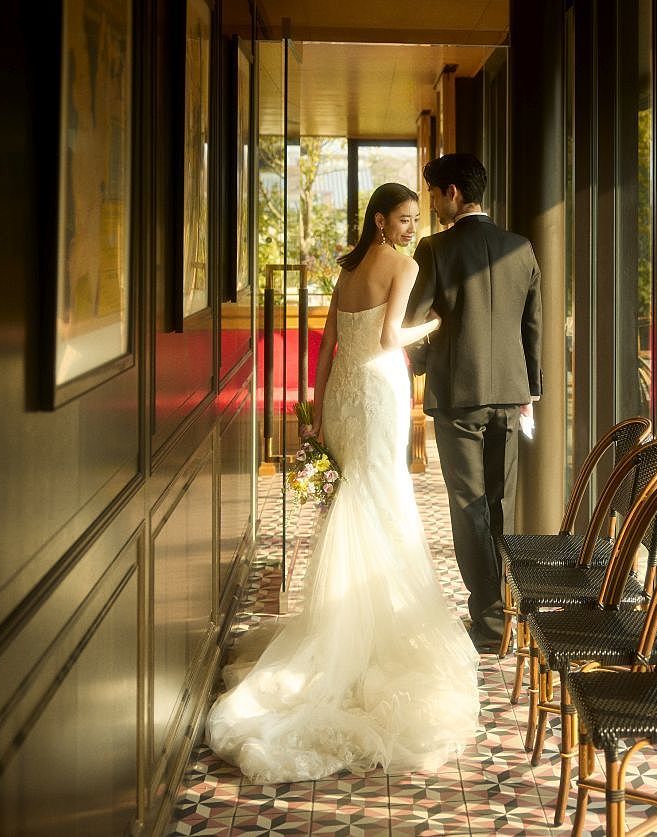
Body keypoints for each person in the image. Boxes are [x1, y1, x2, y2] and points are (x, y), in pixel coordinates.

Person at [204, 183, 479, 783]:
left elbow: (328, 345)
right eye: (403, 219)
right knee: (383, 500)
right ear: (380, 220)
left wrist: (318, 406)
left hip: (343, 399)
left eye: (415, 218)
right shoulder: (403, 267)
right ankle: (367, 625)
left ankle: (344, 619)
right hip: (379, 393)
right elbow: (389, 339)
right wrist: (431, 325)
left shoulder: (349, 270)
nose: (411, 228)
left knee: (356, 497)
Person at [404, 153, 543, 653]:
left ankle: (489, 622)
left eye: (434, 194)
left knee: (468, 508)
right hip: (510, 394)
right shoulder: (520, 248)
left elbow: (413, 322)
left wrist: (420, 361)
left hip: (458, 397)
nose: (433, 204)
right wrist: (530, 390)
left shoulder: (435, 249)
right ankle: (506, 612)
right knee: (501, 505)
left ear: (453, 193)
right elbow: (532, 325)